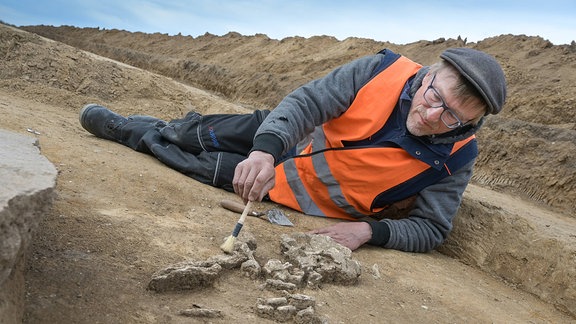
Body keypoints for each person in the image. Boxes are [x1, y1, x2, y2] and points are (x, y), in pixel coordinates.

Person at [79, 47, 506, 253]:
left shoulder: (459, 158)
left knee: (181, 157)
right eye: (434, 98)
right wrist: (264, 150)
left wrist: (367, 231)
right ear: (428, 75)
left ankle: (128, 132)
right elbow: (308, 103)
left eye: (452, 117)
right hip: (279, 136)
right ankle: (155, 126)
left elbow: (432, 229)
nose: (434, 117)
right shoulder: (383, 69)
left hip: (288, 189)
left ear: (471, 122)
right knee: (190, 134)